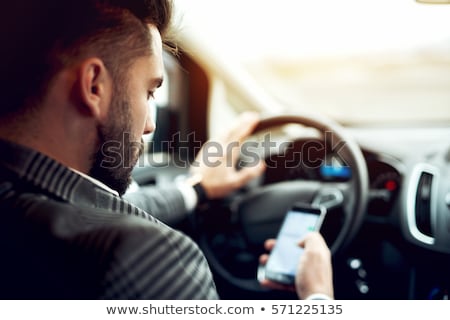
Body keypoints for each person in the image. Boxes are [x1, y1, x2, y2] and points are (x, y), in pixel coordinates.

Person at [0, 0, 333, 299]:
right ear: (93, 87)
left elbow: (118, 205)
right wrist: (318, 299)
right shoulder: (148, 258)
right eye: (148, 92)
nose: (149, 126)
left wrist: (198, 187)